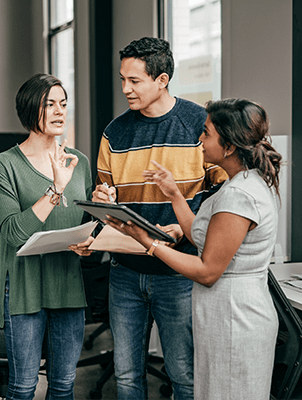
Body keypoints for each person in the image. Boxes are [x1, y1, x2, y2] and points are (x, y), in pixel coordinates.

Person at [107, 98, 282, 400]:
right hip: (225, 314)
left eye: (206, 132)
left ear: (228, 146)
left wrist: (147, 241)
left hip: (234, 319)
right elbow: (203, 237)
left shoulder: (239, 195)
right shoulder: (240, 183)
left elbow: (207, 271)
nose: (199, 139)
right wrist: (174, 194)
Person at [92, 37, 228, 400]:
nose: (125, 89)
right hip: (124, 271)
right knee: (126, 377)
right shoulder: (115, 132)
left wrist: (188, 223)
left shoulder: (199, 124)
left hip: (178, 273)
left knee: (184, 375)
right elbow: (105, 192)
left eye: (134, 81)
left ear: (162, 80)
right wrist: (102, 197)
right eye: (123, 79)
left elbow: (226, 193)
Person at [0, 73, 93, 400]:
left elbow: (86, 222)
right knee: (23, 387)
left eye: (63, 103)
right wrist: (56, 188)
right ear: (30, 109)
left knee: (63, 386)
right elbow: (12, 233)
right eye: (50, 104)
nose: (59, 111)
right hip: (24, 287)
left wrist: (97, 224)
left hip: (67, 283)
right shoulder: (4, 164)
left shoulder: (80, 162)